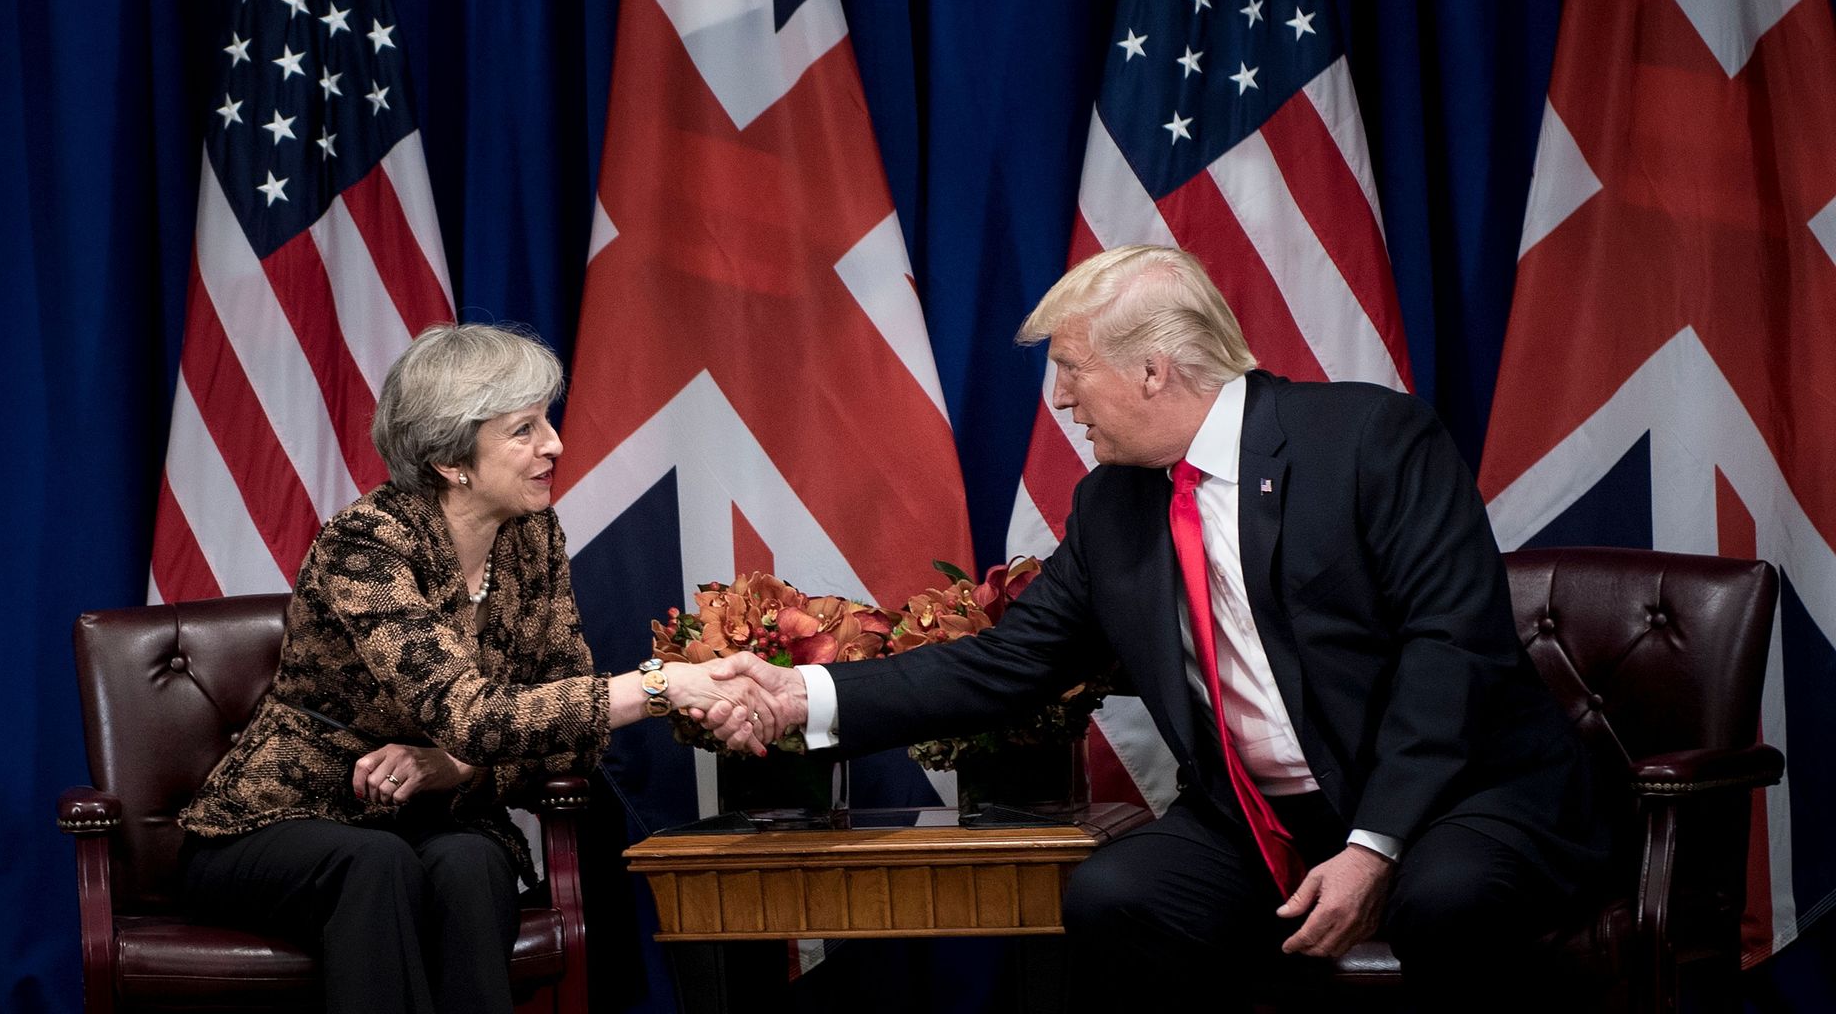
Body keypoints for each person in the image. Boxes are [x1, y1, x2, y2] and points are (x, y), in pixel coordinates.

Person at [701, 245, 1608, 1011]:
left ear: (1151, 370)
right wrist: (800, 695)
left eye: (1071, 368)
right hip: (1268, 822)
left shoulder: (1372, 441)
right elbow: (1006, 664)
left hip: (1458, 796)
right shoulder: (1113, 508)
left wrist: (1375, 845)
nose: (1061, 399)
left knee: (1446, 897)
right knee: (1116, 896)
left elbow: (1449, 650)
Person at [178, 323, 769, 1014]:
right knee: (376, 865)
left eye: (545, 420)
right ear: (451, 458)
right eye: (523, 430)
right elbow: (473, 716)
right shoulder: (366, 543)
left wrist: (458, 769)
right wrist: (661, 685)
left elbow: (575, 736)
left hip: (424, 819)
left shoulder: (531, 536)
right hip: (276, 821)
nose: (553, 443)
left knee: (473, 862)